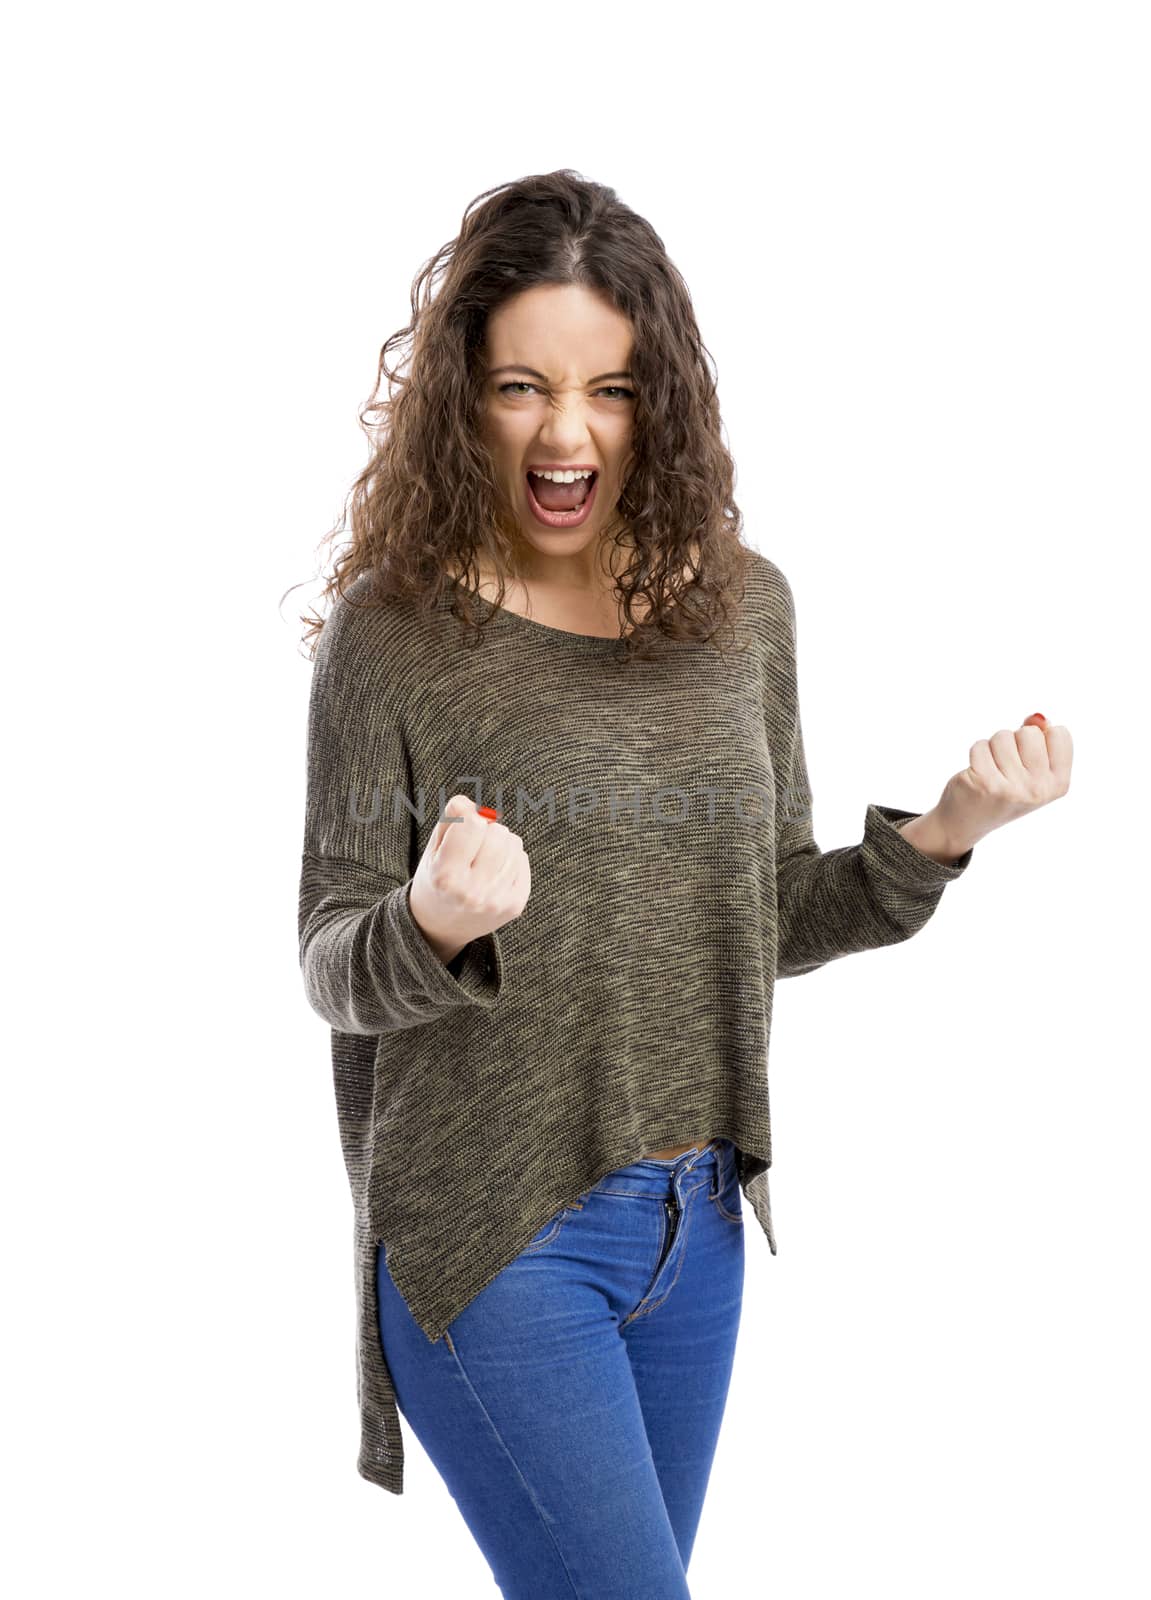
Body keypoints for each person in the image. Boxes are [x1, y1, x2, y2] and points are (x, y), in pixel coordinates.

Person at [293, 169, 1072, 1597]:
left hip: (697, 1230)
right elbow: (330, 955)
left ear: (665, 402)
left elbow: (762, 910)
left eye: (614, 389)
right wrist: (431, 920)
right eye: (523, 385)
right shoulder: (395, 633)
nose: (568, 430)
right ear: (465, 394)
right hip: (495, 1230)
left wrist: (944, 834)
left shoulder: (743, 607)